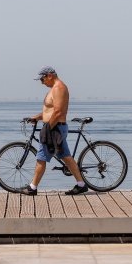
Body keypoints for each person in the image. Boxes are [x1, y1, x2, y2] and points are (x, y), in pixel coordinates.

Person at [20, 66, 89, 196]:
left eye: (42, 79)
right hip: (55, 126)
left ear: (49, 75)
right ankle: (81, 184)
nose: (42, 82)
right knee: (66, 157)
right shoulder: (54, 89)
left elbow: (58, 112)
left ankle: (32, 187)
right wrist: (37, 117)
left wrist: (47, 128)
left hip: (55, 128)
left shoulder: (59, 88)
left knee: (41, 157)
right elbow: (49, 111)